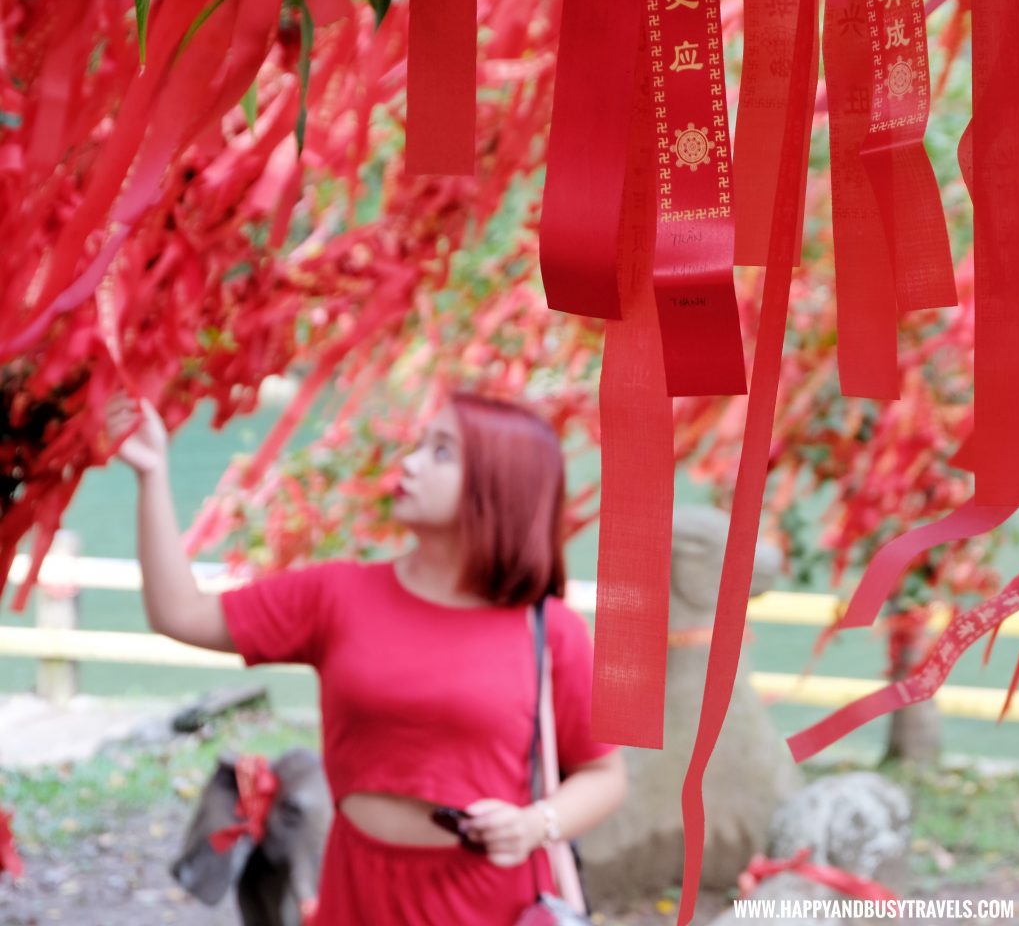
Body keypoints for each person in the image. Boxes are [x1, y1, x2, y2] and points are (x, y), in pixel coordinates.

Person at [106, 389, 628, 925]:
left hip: (494, 903)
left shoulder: (550, 629)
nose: (411, 463)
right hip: (355, 896)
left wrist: (536, 824)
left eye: (441, 452)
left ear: (498, 483)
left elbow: (605, 775)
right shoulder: (338, 596)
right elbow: (180, 612)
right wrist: (152, 474)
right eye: (420, 445)